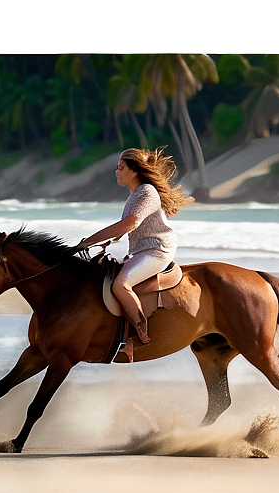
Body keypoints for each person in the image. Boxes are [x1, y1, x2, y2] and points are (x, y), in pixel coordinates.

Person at [78, 147, 193, 349]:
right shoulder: (135, 193)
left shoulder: (147, 192)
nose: (117, 171)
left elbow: (131, 222)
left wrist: (90, 240)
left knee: (120, 285)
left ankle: (141, 335)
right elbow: (132, 224)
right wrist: (110, 240)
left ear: (135, 170)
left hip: (157, 249)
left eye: (121, 168)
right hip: (142, 249)